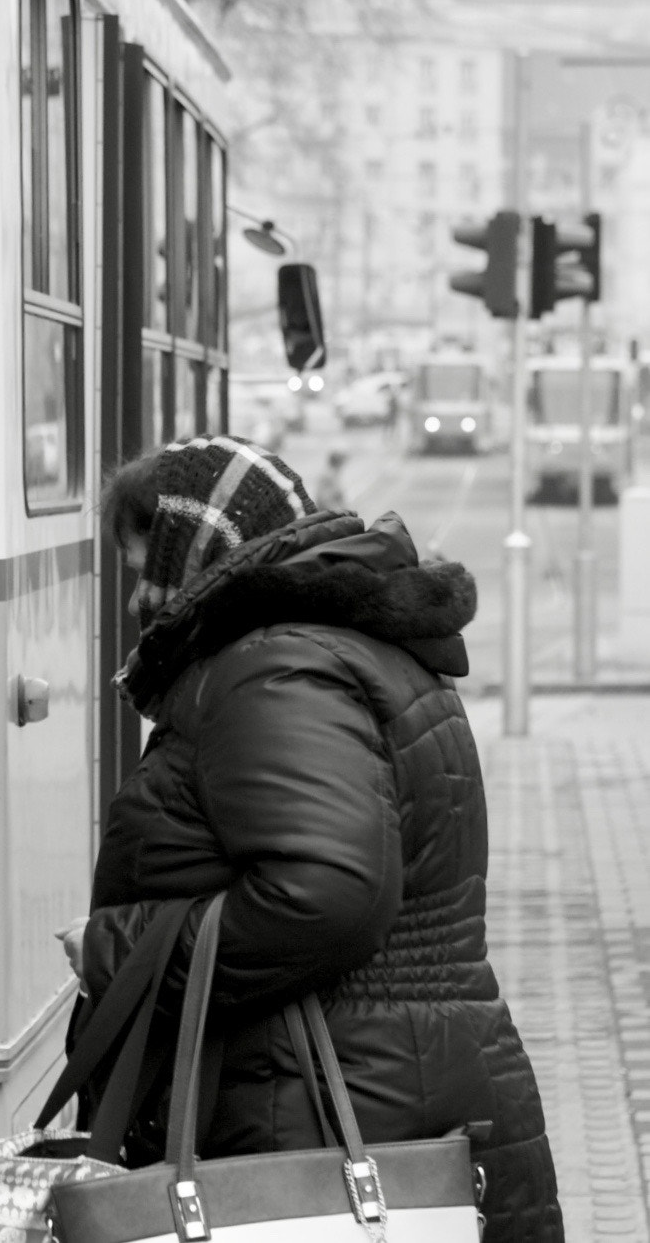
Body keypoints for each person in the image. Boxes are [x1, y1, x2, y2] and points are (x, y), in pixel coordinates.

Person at [61, 434, 561, 1243]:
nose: (134, 603)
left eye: (145, 565)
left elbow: (327, 897)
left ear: (199, 549)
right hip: (376, 1084)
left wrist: (117, 948)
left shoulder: (273, 668)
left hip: (322, 1109)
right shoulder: (325, 649)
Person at [312, 446, 348, 511]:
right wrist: (339, 511)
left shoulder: (333, 475)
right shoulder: (329, 476)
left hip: (330, 510)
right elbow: (324, 499)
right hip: (326, 512)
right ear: (338, 463)